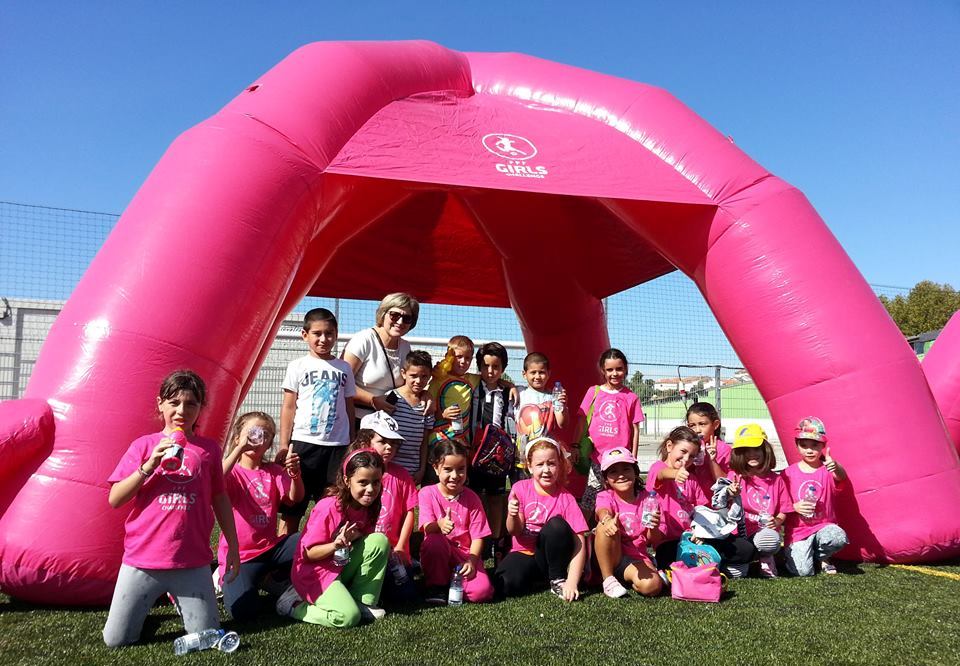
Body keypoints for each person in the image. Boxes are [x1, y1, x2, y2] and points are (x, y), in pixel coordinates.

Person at [102, 370, 240, 647]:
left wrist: (234, 546)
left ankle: (181, 599)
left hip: (191, 560)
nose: (182, 411)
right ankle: (142, 609)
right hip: (143, 559)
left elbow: (220, 499)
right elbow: (115, 499)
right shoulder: (144, 445)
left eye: (191, 404)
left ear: (201, 408)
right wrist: (148, 466)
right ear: (160, 403)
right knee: (116, 641)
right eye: (174, 402)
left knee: (208, 638)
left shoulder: (208, 450)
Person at [277, 448, 390, 626]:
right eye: (363, 482)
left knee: (379, 541)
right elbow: (308, 554)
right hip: (315, 572)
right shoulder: (329, 507)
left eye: (376, 482)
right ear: (347, 480)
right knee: (348, 617)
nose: (370, 489)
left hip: (340, 564)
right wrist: (335, 545)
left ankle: (362, 602)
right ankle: (293, 605)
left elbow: (366, 545)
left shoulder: (369, 506)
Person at [217, 411, 304, 620]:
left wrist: (295, 475)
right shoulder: (234, 471)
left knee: (310, 541)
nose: (259, 439)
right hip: (241, 555)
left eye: (266, 435)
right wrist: (238, 449)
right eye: (253, 433)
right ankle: (232, 578)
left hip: (271, 549)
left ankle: (273, 579)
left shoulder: (273, 471)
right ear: (238, 437)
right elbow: (216, 481)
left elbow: (294, 498)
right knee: (244, 611)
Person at [277, 308, 356, 535]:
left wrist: (350, 439)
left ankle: (324, 557)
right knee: (293, 508)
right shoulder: (297, 366)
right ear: (305, 335)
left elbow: (348, 405)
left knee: (332, 507)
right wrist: (284, 444)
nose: (324, 339)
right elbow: (289, 406)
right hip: (303, 445)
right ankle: (283, 560)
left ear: (336, 334)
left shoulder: (344, 368)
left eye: (329, 333)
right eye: (317, 333)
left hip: (337, 448)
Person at [495, 437, 589, 601]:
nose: (546, 470)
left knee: (556, 526)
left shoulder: (566, 498)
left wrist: (572, 582)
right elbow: (514, 530)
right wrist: (512, 514)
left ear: (560, 465)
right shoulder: (520, 488)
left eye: (551, 464)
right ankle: (539, 578)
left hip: (554, 558)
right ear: (529, 467)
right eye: (540, 464)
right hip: (524, 552)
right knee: (504, 584)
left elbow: (580, 542)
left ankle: (557, 577)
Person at [350, 411, 418, 602]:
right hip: (362, 551)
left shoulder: (402, 475)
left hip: (394, 553)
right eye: (382, 441)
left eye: (393, 443)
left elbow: (409, 513)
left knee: (406, 596)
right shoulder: (352, 476)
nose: (389, 447)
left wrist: (401, 546)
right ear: (365, 442)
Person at [418, 439, 495, 604]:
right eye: (448, 469)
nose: (455, 476)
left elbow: (478, 536)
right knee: (434, 542)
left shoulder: (472, 498)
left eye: (461, 469)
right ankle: (436, 586)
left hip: (464, 555)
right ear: (436, 469)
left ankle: (451, 580)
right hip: (439, 551)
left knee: (482, 592)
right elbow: (427, 528)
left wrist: (472, 561)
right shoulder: (427, 493)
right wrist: (439, 525)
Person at [575, 348, 643, 515]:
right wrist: (575, 445)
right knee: (590, 498)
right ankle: (583, 536)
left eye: (619, 369)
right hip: (598, 458)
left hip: (620, 459)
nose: (615, 373)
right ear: (603, 371)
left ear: (625, 369)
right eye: (610, 370)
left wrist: (633, 457)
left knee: (618, 498)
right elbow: (582, 420)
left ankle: (618, 533)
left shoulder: (631, 397)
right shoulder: (594, 392)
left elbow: (635, 428)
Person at [782, 417, 848, 576]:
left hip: (823, 527)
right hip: (798, 532)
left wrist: (836, 466)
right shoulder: (787, 473)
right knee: (804, 571)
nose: (809, 450)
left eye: (815, 445)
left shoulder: (828, 470)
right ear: (797, 446)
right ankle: (798, 554)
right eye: (804, 446)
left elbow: (841, 477)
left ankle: (823, 557)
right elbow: (781, 502)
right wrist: (794, 507)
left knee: (838, 536)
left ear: (823, 446)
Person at [594, 448, 663, 598]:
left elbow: (653, 540)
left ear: (635, 472)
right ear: (606, 479)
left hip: (635, 557)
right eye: (613, 472)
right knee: (604, 527)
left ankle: (625, 577)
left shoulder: (649, 499)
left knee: (653, 586)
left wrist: (655, 527)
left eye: (626, 469)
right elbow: (602, 511)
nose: (621, 475)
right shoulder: (605, 495)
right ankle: (608, 579)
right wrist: (607, 520)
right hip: (611, 553)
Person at [726, 423, 792, 578]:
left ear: (765, 450)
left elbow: (784, 510)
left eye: (756, 449)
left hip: (762, 532)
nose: (752, 454)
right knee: (737, 574)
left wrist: (777, 521)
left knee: (769, 539)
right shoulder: (734, 476)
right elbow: (721, 503)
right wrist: (730, 493)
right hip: (738, 535)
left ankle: (766, 557)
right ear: (738, 454)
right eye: (745, 450)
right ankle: (747, 560)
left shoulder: (776, 480)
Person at [342, 292, 419, 420]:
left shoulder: (406, 347)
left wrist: (427, 395)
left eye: (407, 318)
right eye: (395, 315)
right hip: (357, 420)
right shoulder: (363, 340)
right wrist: (372, 400)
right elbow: (341, 383)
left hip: (389, 422)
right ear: (383, 314)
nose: (400, 322)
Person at [471, 341, 515, 561]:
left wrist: (511, 386)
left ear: (503, 368)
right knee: (475, 497)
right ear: (479, 366)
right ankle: (476, 539)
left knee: (496, 497)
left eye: (496, 366)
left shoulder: (507, 391)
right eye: (486, 365)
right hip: (474, 454)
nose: (490, 371)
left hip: (496, 455)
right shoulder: (470, 386)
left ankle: (496, 541)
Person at [646, 426, 710, 569]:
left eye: (692, 456)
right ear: (669, 446)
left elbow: (702, 508)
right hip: (665, 540)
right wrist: (675, 474)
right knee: (670, 555)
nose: (686, 459)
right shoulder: (657, 467)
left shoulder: (691, 479)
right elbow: (661, 474)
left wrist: (699, 531)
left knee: (741, 551)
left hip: (689, 538)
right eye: (683, 451)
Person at [384, 350, 435, 483]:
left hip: (413, 470)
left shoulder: (427, 404)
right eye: (413, 375)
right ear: (403, 373)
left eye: (424, 376)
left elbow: (424, 441)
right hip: (390, 468)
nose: (418, 381)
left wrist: (422, 469)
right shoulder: (392, 397)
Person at [514, 351, 568, 470]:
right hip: (522, 457)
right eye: (533, 372)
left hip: (545, 456)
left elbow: (562, 423)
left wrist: (563, 405)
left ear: (549, 374)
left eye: (541, 372)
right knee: (523, 486)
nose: (537, 376)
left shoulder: (553, 396)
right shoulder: (518, 393)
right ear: (524, 374)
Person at [686, 401, 732, 499]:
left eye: (702, 424)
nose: (697, 430)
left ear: (715, 424)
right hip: (692, 502)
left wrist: (712, 460)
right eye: (692, 425)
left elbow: (725, 483)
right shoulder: (688, 447)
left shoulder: (724, 450)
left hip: (714, 504)